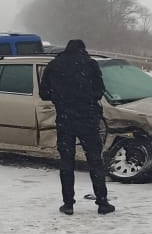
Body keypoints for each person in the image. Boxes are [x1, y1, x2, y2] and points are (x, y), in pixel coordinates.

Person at [39, 39, 115, 216]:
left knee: (67, 161)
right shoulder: (90, 65)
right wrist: (84, 97)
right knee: (95, 160)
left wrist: (60, 97)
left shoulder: (54, 65)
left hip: (65, 119)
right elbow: (99, 91)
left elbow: (44, 93)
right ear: (83, 49)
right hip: (88, 118)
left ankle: (68, 204)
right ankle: (102, 202)